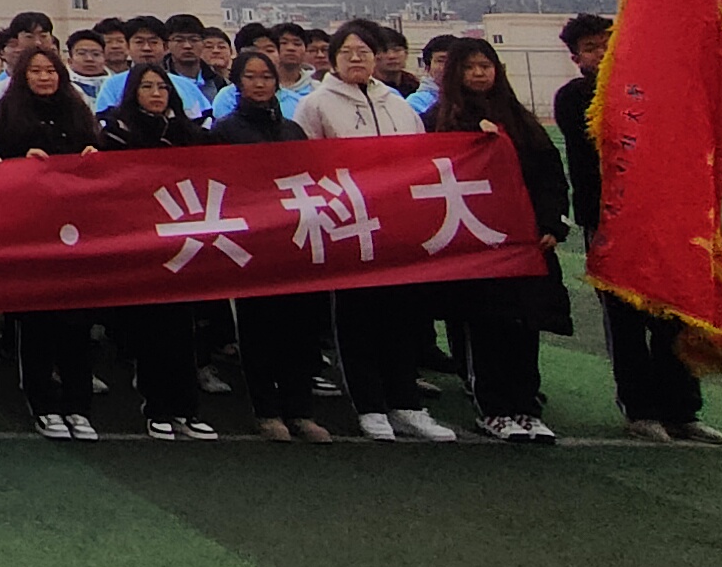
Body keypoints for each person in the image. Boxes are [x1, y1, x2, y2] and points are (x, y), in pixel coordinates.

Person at [553, 14, 716, 442]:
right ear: (576, 59)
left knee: (671, 314)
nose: (602, 53)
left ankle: (682, 409)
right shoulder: (574, 97)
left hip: (660, 218)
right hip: (609, 220)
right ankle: (639, 408)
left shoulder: (651, 91)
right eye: (591, 48)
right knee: (624, 320)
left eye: (607, 43)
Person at [295, 22, 458, 443]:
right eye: (347, 52)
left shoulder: (398, 105)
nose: (356, 59)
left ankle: (407, 404)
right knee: (357, 321)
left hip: (396, 230)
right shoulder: (315, 105)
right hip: (348, 229)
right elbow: (303, 169)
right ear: (333, 59)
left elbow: (420, 161)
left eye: (364, 51)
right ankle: (369, 406)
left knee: (401, 319)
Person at [435, 37, 573, 443]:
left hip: (524, 246)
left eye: (486, 66)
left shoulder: (521, 120)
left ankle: (526, 407)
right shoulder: (440, 121)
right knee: (484, 329)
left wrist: (552, 225)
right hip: (475, 246)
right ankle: (493, 408)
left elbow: (550, 177)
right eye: (470, 67)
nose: (479, 74)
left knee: (524, 328)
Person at [208, 47, 328, 441]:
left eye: (266, 77)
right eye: (251, 77)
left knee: (300, 331)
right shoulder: (225, 130)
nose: (259, 84)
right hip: (252, 242)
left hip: (294, 239)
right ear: (237, 82)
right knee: (259, 331)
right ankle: (266, 410)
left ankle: (300, 410)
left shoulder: (292, 130)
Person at [98, 65, 220, 440]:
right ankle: (157, 408)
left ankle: (187, 409)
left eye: (162, 87)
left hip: (184, 238)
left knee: (184, 329)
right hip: (142, 241)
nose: (155, 93)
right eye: (147, 86)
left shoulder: (187, 132)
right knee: (152, 330)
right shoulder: (117, 132)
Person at [0, 40, 103, 440]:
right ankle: (43, 405)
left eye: (50, 71)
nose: (44, 77)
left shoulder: (77, 109)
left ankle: (78, 406)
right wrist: (21, 164)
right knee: (38, 323)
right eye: (36, 71)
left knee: (77, 323)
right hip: (32, 232)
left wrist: (92, 155)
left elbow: (99, 157)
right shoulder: (10, 113)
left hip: (76, 230)